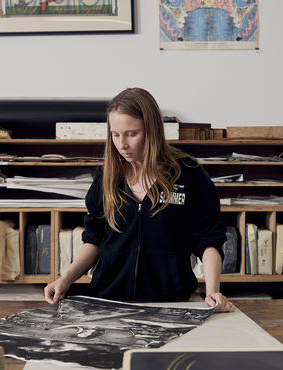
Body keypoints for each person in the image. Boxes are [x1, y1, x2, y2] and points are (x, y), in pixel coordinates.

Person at [45, 88, 235, 313]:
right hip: (108, 301)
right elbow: (94, 238)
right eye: (115, 134)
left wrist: (213, 291)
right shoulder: (107, 176)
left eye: (131, 134)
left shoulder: (188, 173)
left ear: (152, 130)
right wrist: (65, 279)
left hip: (171, 302)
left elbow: (209, 239)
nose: (122, 144)